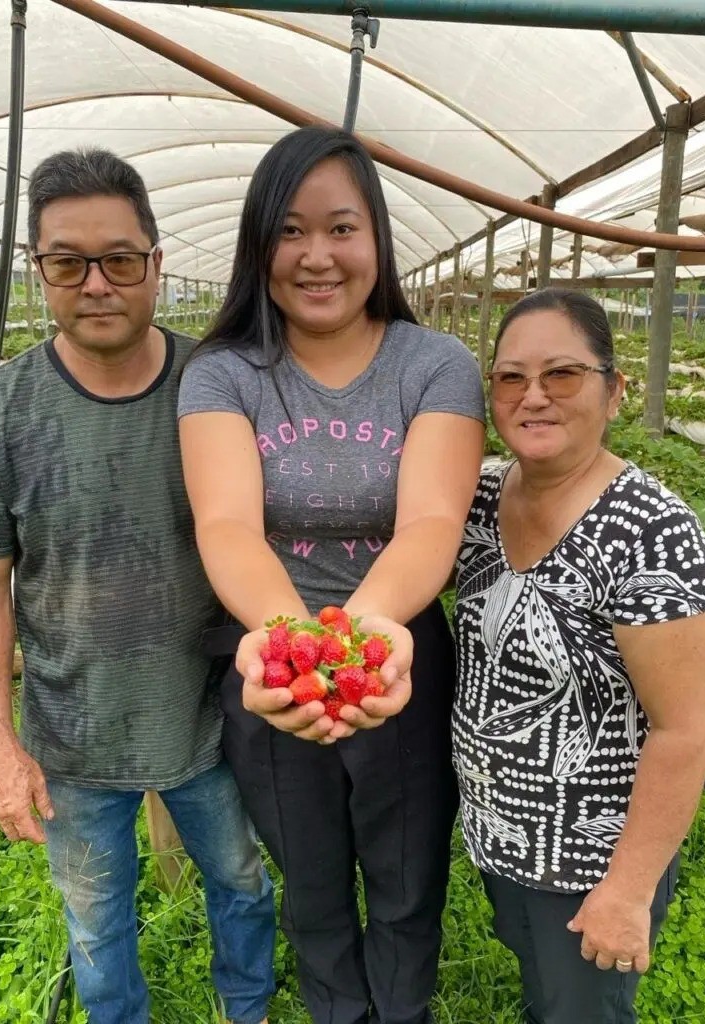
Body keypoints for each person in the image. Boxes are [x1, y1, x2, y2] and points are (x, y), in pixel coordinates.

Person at [0, 148, 276, 1024]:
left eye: (121, 259)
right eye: (68, 262)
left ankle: (249, 1009)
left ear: (157, 266)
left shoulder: (219, 387)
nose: (97, 283)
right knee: (95, 923)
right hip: (71, 732)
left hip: (210, 715)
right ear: (39, 272)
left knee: (243, 882)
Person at [177, 125, 486, 1024]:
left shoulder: (434, 366)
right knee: (311, 888)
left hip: (400, 652)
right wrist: (293, 644)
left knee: (405, 878)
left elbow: (431, 517)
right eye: (290, 230)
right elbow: (227, 522)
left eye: (342, 228)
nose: (318, 255)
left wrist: (365, 632)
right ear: (258, 243)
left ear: (378, 240)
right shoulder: (225, 373)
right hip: (271, 662)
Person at [451, 288, 705, 1024]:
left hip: (591, 860)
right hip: (502, 835)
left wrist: (625, 893)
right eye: (510, 378)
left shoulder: (649, 530)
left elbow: (686, 730)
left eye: (562, 374)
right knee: (545, 994)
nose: (533, 397)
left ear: (615, 389)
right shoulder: (481, 497)